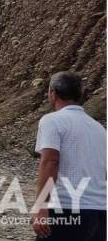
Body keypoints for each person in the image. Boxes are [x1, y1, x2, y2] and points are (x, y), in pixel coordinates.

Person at [32, 71, 106, 241]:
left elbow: (50, 161)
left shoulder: (52, 120)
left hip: (67, 209)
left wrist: (41, 206)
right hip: (100, 212)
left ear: (53, 93)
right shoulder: (98, 128)